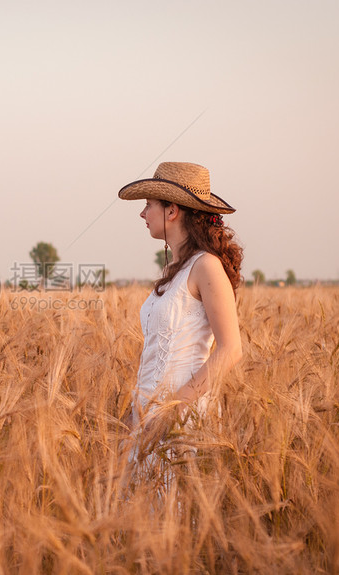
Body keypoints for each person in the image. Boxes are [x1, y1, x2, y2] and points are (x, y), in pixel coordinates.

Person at [118, 162, 243, 459]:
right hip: (148, 416)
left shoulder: (206, 266)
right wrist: (133, 416)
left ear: (172, 211)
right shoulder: (176, 268)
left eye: (149, 205)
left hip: (181, 420)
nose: (142, 213)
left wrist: (173, 410)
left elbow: (231, 349)